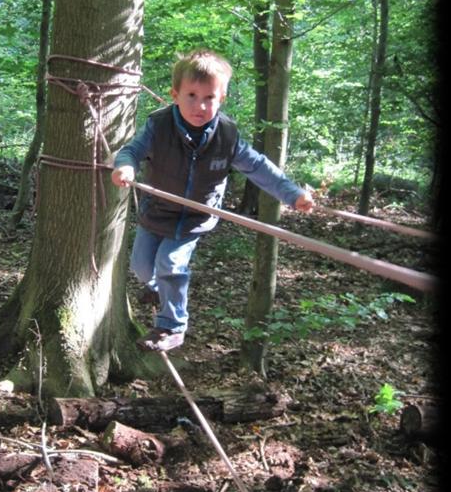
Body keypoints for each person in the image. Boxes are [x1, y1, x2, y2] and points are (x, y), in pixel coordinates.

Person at [111, 49, 313, 352]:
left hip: (194, 217)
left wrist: (291, 194)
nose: (200, 105)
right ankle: (157, 289)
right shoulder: (159, 126)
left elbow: (258, 167)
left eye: (210, 98)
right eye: (191, 95)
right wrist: (125, 165)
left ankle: (172, 326)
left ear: (222, 99)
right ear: (175, 94)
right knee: (141, 268)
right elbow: (132, 150)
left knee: (171, 263)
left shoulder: (227, 136)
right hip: (157, 212)